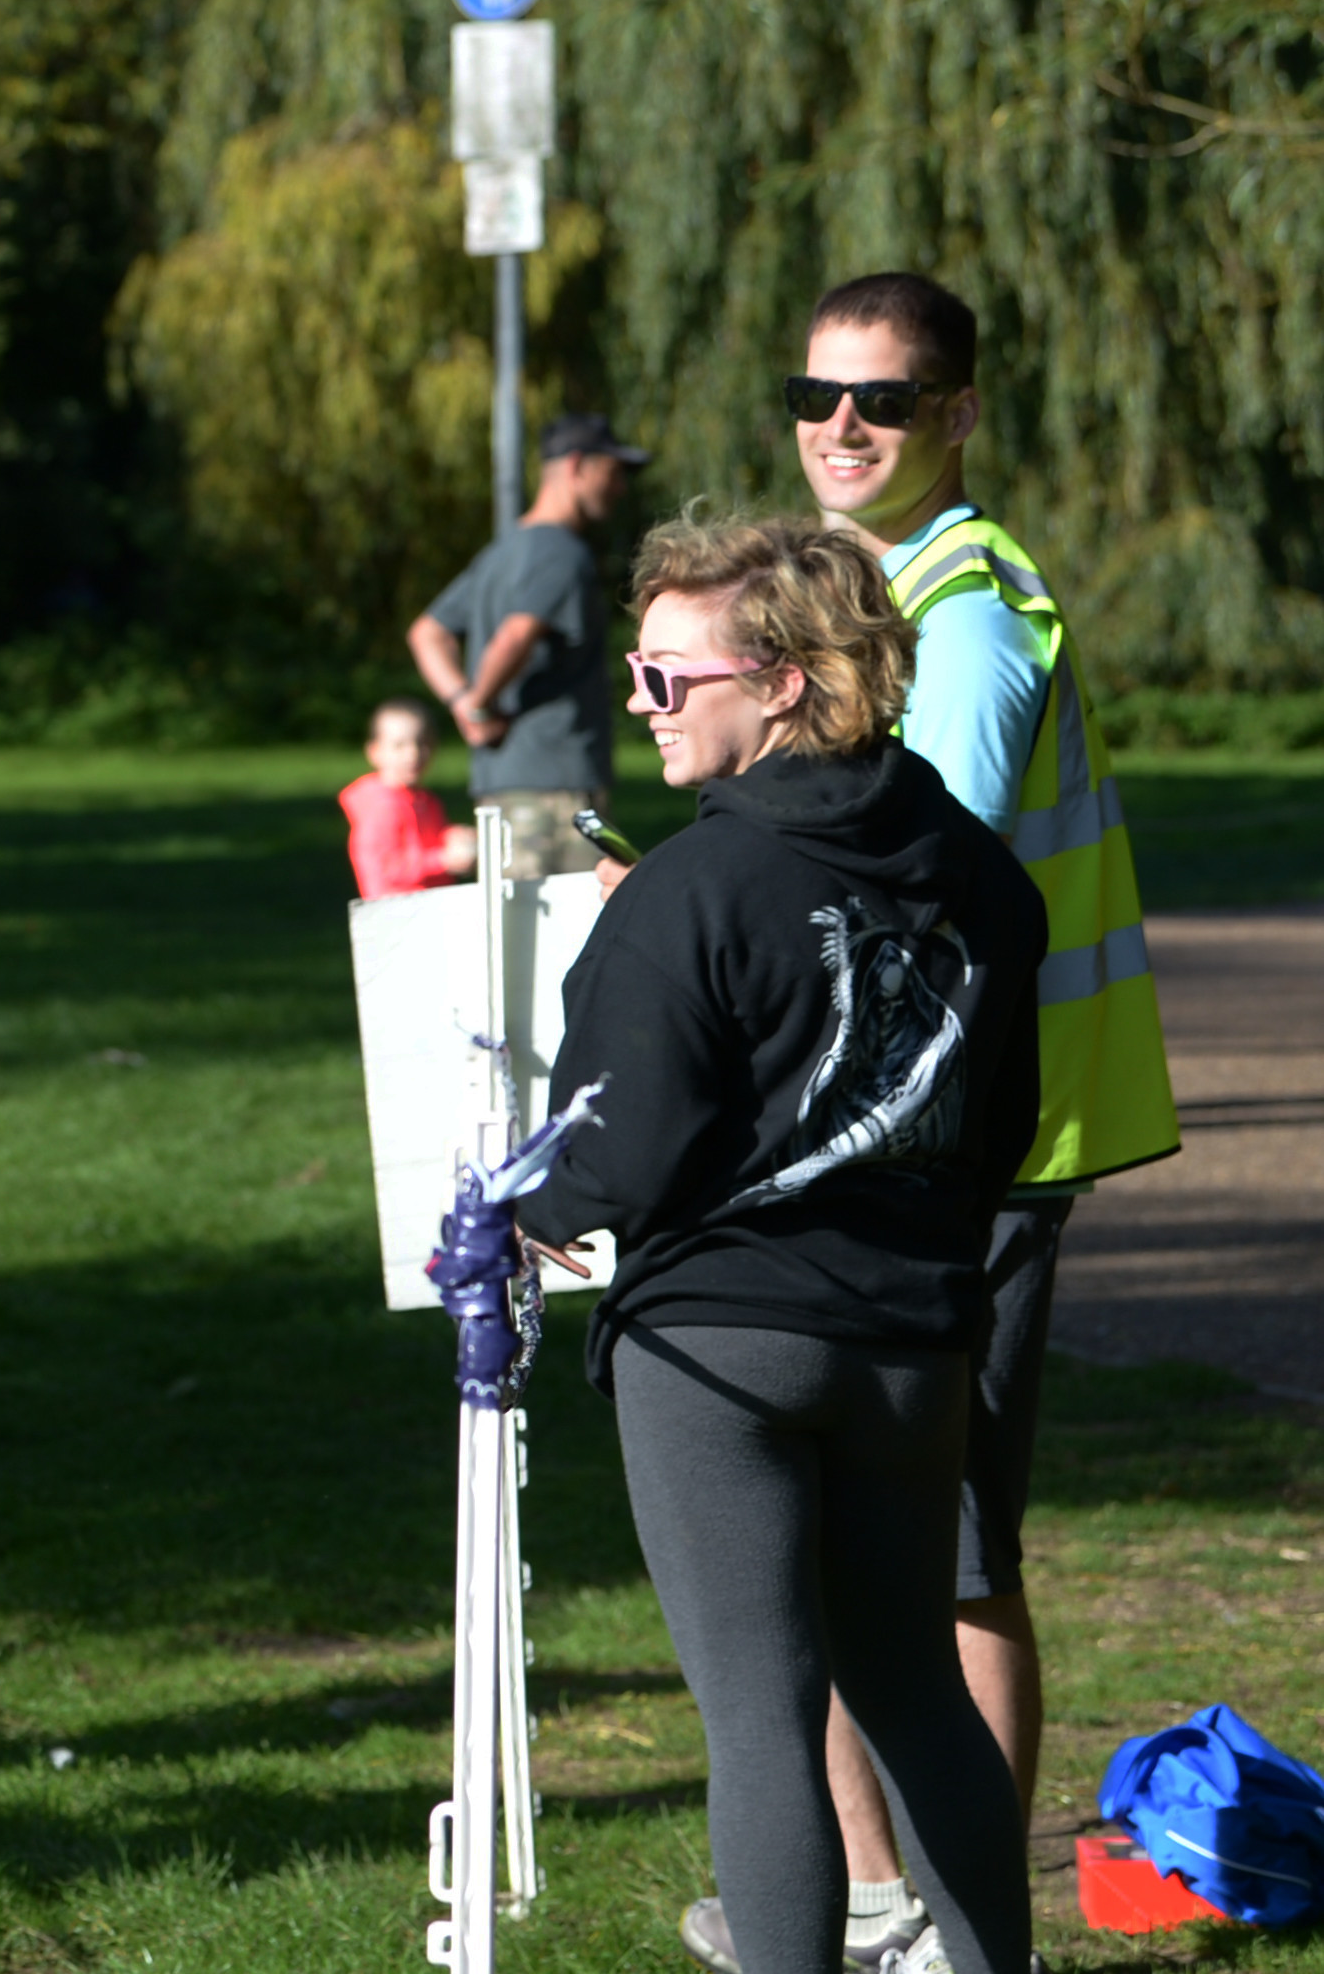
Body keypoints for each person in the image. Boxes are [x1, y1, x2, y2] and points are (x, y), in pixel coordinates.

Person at [653, 273, 1184, 1974]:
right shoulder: (866, 589)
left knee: (944, 1562)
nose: (841, 426)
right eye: (814, 394)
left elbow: (907, 848)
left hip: (966, 1158)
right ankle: (877, 1906)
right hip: (893, 1141)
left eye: (882, 398)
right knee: (841, 1566)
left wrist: (708, 887)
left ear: (956, 412)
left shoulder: (961, 604)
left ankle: (944, 1933)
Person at [508, 513, 1044, 1974]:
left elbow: (608, 1158)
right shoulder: (984, 878)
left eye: (668, 677)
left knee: (757, 1712)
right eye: (634, 670)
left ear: (786, 683)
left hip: (719, 1349)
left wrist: (526, 1222)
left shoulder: (688, 890)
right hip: (913, 1341)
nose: (637, 700)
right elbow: (1000, 1127)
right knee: (913, 1689)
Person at [408, 413, 648, 879]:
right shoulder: (565, 553)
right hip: (557, 796)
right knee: (580, 936)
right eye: (613, 472)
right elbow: (516, 635)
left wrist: (459, 701)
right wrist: (477, 705)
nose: (620, 488)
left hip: (501, 788)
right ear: (577, 466)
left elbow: (426, 632)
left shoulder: (501, 552)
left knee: (514, 941)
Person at [340, 697, 474, 901]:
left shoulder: (427, 801)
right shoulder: (381, 806)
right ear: (375, 752)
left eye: (422, 743)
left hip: (429, 906)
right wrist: (443, 860)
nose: (413, 754)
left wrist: (453, 835)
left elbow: (431, 838)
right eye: (399, 745)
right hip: (397, 915)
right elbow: (387, 867)